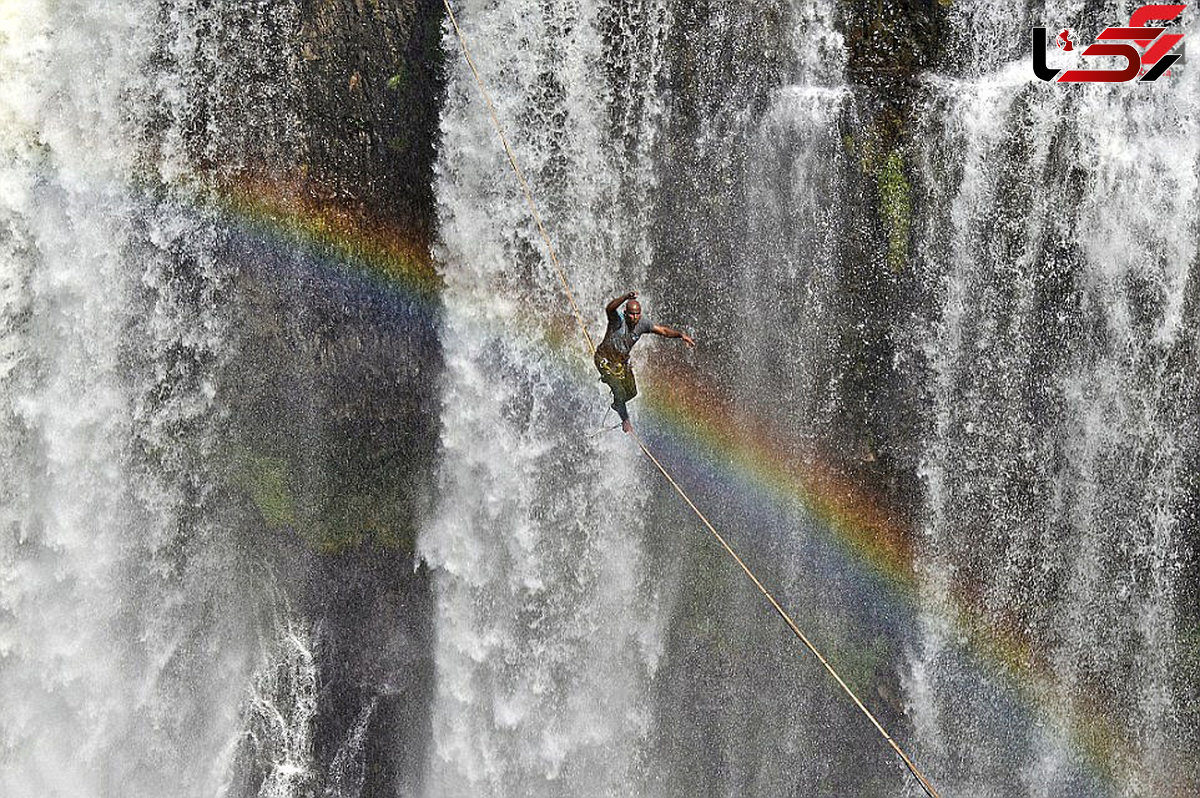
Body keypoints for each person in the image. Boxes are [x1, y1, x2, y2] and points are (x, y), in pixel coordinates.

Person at [594, 291, 694, 433]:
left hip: (620, 363)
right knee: (619, 391)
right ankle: (625, 419)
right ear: (625, 312)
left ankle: (618, 404)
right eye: (631, 314)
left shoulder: (643, 323)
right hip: (604, 359)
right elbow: (609, 308)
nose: (635, 317)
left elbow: (663, 331)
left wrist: (680, 335)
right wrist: (625, 297)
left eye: (637, 314)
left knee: (632, 392)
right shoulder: (617, 320)